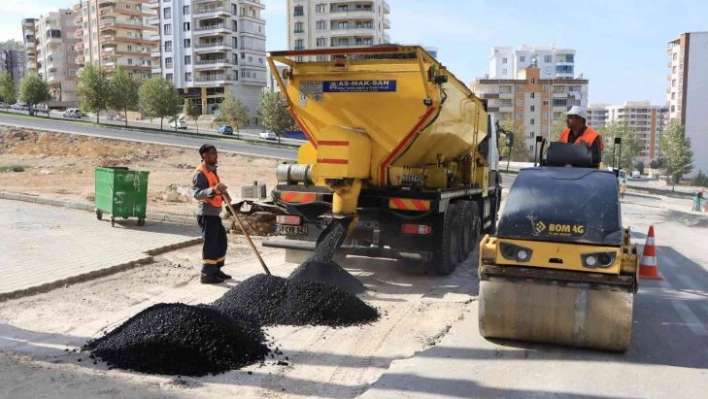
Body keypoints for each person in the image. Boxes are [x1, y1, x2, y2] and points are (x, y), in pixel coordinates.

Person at [193, 144, 231, 284]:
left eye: (216, 153)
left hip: (214, 213)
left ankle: (216, 270)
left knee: (221, 242)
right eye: (213, 153)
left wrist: (225, 195)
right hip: (206, 213)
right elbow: (197, 194)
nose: (216, 156)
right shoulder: (200, 173)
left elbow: (216, 187)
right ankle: (207, 274)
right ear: (204, 155)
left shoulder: (212, 171)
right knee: (210, 244)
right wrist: (214, 190)